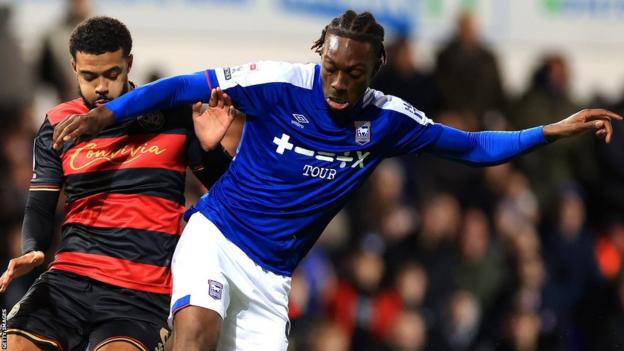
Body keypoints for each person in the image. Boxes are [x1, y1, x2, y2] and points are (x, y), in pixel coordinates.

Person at [51, 10, 622, 351]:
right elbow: (179, 86)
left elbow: (474, 147)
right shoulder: (279, 82)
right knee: (195, 333)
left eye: (354, 73)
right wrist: (103, 116)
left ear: (375, 70)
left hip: (273, 279)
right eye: (332, 67)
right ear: (320, 53)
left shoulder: (389, 121)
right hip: (216, 238)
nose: (339, 83)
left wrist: (551, 130)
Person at [0, 16, 238, 351]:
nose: (100, 87)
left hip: (140, 295)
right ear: (73, 68)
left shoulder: (173, 114)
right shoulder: (57, 124)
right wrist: (31, 250)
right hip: (67, 281)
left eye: (111, 74)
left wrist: (212, 151)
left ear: (128, 64)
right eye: (89, 76)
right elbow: (39, 204)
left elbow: (232, 194)